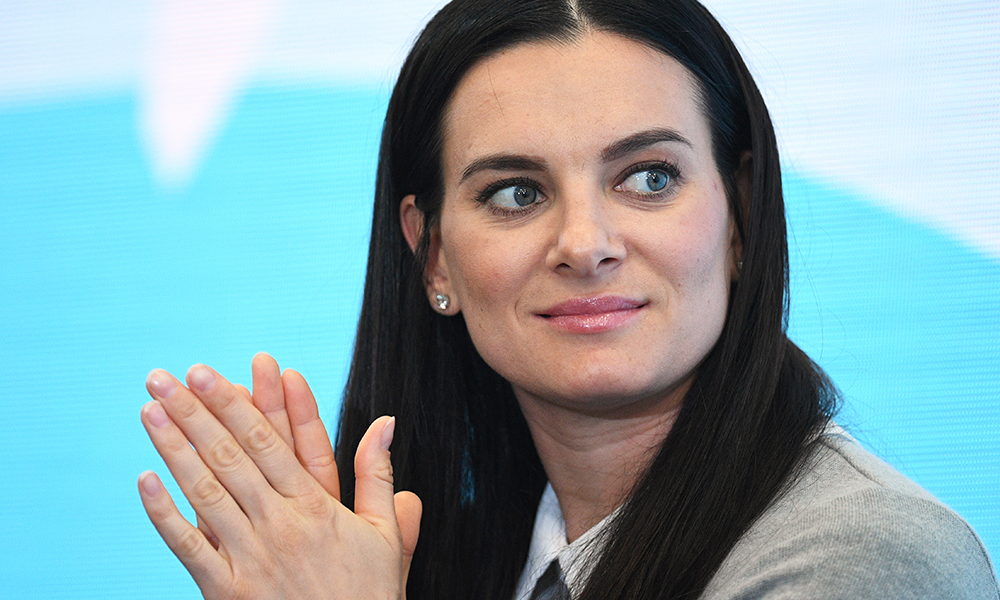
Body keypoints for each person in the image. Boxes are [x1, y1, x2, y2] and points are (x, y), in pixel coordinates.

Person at [137, 0, 999, 598]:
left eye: (649, 178)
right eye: (516, 193)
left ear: (740, 216)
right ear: (432, 255)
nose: (585, 244)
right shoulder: (452, 553)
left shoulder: (869, 558)